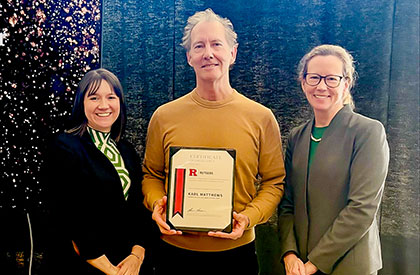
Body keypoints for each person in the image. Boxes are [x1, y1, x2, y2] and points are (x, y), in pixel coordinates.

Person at [141, 8, 285, 275]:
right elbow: (151, 175)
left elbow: (274, 182)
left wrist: (248, 218)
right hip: (173, 255)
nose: (208, 53)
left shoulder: (261, 118)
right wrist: (158, 202)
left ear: (232, 53)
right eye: (199, 46)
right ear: (189, 57)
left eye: (216, 44)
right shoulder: (164, 116)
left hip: (236, 256)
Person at [278, 44, 390, 275]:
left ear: (346, 83)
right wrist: (289, 254)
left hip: (349, 266)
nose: (321, 86)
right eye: (314, 77)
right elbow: (287, 203)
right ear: (303, 82)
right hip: (299, 266)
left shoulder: (368, 132)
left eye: (331, 79)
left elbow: (362, 208)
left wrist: (314, 263)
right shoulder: (297, 136)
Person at [45, 68, 155, 275]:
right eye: (94, 97)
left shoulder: (127, 150)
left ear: (119, 103)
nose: (104, 105)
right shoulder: (64, 147)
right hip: (86, 265)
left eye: (111, 97)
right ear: (81, 103)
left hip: (129, 264)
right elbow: (69, 216)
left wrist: (137, 255)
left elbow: (138, 209)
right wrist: (111, 271)